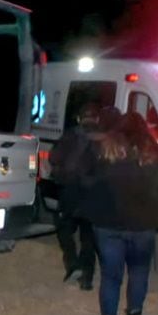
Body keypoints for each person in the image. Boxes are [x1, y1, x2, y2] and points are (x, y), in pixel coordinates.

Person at [83, 111, 158, 315]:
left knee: (110, 276)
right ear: (146, 132)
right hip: (142, 226)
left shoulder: (102, 154)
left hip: (107, 225)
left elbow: (86, 183)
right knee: (139, 272)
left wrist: (91, 212)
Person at [49, 103, 100, 289]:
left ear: (80, 118)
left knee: (64, 229)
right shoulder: (104, 138)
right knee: (88, 236)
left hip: (70, 190)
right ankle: (87, 278)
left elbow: (54, 158)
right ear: (96, 119)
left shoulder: (71, 135)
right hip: (94, 194)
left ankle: (72, 264)